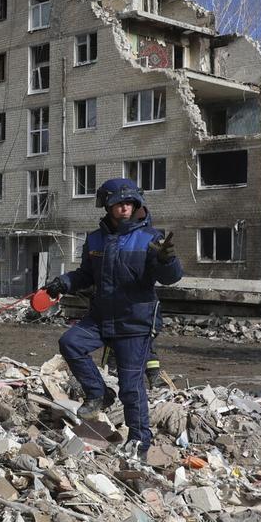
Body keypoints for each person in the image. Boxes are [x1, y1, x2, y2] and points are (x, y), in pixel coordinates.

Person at [44, 177, 182, 455]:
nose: (124, 208)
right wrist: (63, 282)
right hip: (101, 317)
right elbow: (86, 274)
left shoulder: (151, 238)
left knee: (131, 386)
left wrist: (168, 261)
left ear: (137, 204)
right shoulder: (96, 239)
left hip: (135, 322)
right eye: (118, 203)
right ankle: (98, 394)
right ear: (107, 206)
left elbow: (170, 279)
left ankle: (140, 439)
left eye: (129, 203)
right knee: (71, 342)